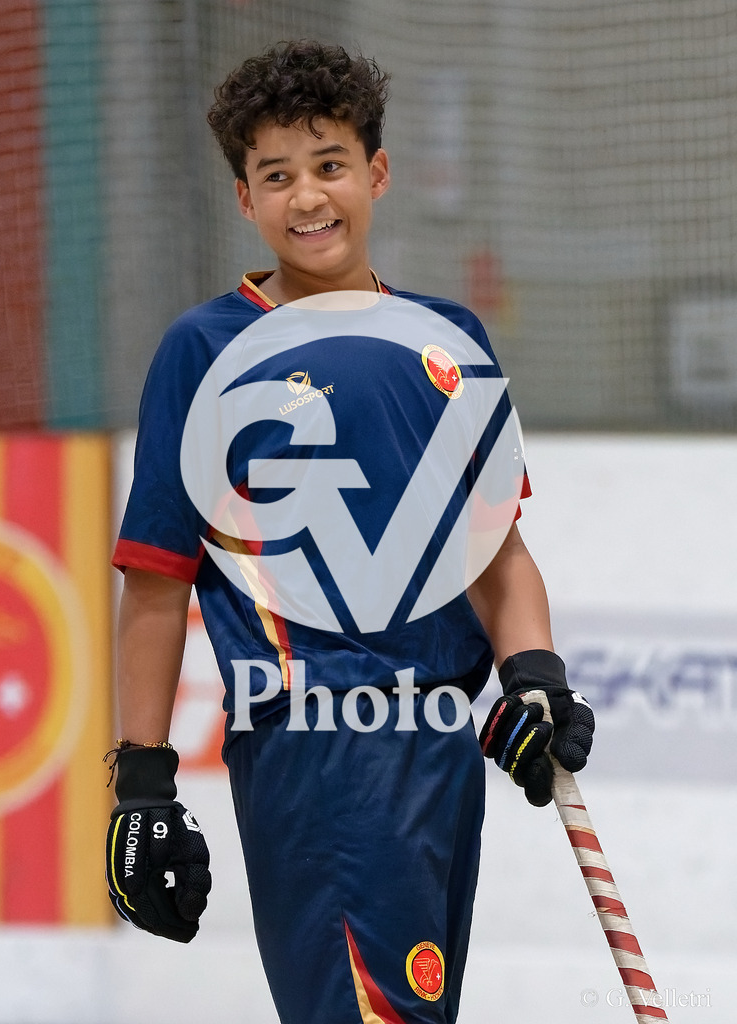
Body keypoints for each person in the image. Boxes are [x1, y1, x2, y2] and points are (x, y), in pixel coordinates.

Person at [105, 39, 594, 1024]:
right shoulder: (204, 351)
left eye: (328, 165)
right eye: (274, 176)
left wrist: (534, 675)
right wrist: (142, 782)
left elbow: (495, 552)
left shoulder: (451, 338)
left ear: (376, 173)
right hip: (321, 744)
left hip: (440, 748)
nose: (306, 196)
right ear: (245, 199)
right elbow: (158, 581)